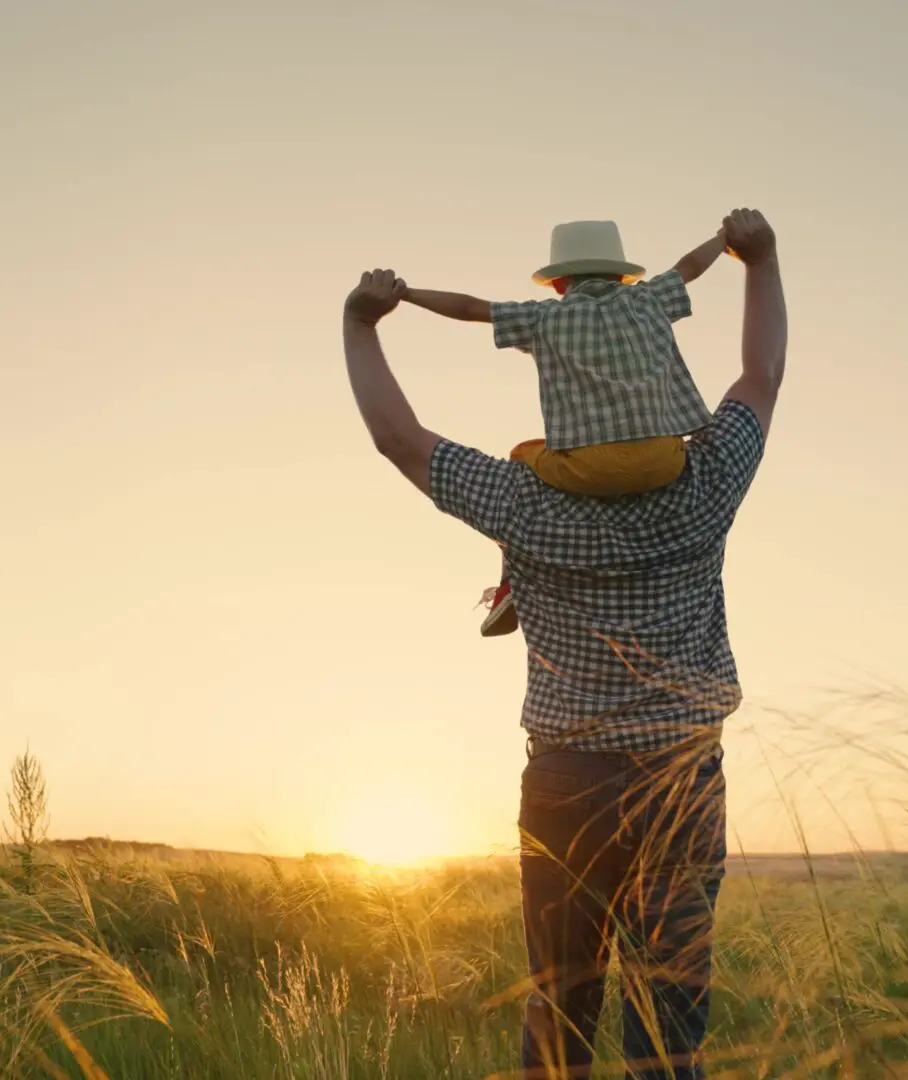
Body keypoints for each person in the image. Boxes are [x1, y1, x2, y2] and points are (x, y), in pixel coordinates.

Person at [341, 208, 785, 1080]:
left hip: (569, 785)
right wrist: (760, 259)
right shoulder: (708, 481)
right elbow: (760, 377)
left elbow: (399, 439)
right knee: (669, 1032)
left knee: (561, 1015)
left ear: (556, 316)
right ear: (637, 312)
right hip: (682, 782)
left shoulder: (525, 503)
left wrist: (360, 326)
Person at [400, 220, 732, 636]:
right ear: (621, 275)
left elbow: (470, 308)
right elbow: (691, 265)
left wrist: (408, 294)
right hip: (665, 461)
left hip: (587, 470)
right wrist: (723, 239)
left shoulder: (544, 318)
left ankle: (510, 584)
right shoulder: (650, 299)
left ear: (558, 283)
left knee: (521, 455)